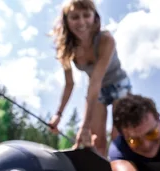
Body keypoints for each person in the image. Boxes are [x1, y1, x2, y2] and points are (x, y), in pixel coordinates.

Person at [48, 0, 132, 157]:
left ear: (95, 17)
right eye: (74, 17)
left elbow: (95, 81)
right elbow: (69, 84)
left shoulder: (106, 40)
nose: (81, 22)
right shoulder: (66, 50)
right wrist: (58, 114)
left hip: (119, 85)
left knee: (117, 139)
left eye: (86, 15)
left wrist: (84, 125)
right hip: (97, 90)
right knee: (96, 140)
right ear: (66, 20)